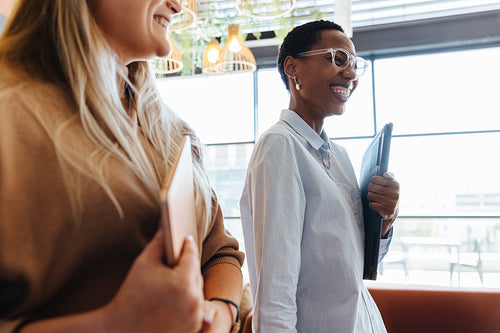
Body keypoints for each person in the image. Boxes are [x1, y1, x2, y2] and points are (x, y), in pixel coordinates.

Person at [0, 1, 244, 332]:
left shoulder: (174, 133)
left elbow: (219, 253)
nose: (177, 6)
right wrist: (118, 323)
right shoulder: (12, 116)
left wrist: (220, 312)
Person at [240, 20, 400, 332]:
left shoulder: (339, 156)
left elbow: (355, 267)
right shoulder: (280, 145)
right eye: (337, 59)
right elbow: (276, 288)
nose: (351, 74)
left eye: (354, 64)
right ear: (292, 68)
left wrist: (386, 220)